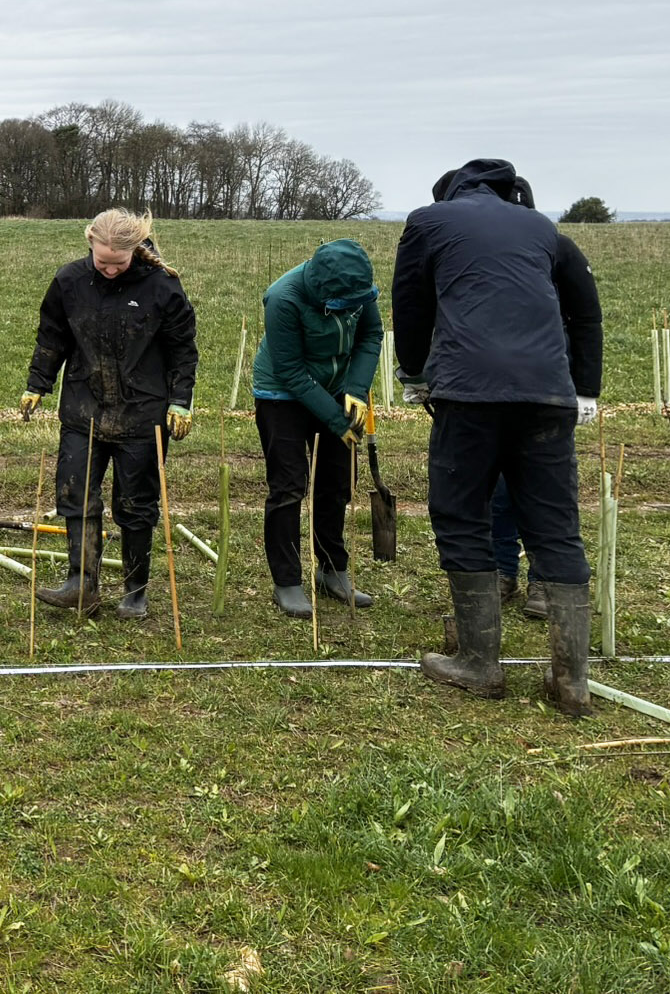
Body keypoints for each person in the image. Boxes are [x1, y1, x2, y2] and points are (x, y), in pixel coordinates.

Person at [393, 158, 603, 715]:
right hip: (547, 396)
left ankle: (480, 663)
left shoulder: (428, 221)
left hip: (470, 393)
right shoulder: (542, 227)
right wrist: (586, 390)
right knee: (556, 524)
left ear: (451, 192)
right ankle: (571, 682)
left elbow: (411, 302)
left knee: (461, 511)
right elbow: (585, 309)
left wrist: (413, 372)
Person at [21, 208, 199, 619]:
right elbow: (52, 336)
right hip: (83, 408)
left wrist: (180, 400)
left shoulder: (163, 286)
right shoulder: (69, 282)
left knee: (136, 504)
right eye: (103, 262)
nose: (112, 270)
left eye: (120, 263)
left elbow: (182, 350)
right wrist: (37, 384)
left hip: (144, 412)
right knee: (75, 493)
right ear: (90, 244)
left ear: (136, 251)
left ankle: (135, 590)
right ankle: (81, 583)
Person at [249, 238, 381, 618]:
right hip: (281, 394)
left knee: (337, 481)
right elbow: (291, 372)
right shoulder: (283, 298)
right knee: (289, 485)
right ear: (324, 290)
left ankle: (332, 569)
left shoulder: (359, 290)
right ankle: (287, 580)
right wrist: (337, 420)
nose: (357, 306)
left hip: (337, 388)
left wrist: (355, 391)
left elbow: (371, 336)